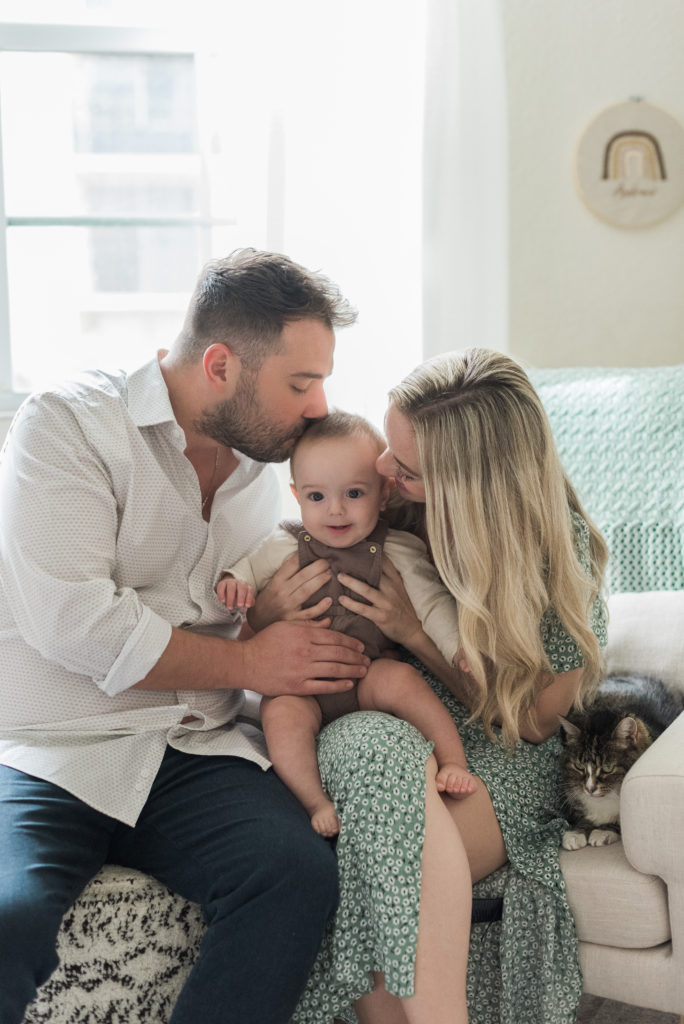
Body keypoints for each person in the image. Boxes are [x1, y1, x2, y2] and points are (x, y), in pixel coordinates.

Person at [0, 248, 374, 1024]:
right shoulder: (66, 425)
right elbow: (74, 619)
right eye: (301, 383)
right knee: (8, 913)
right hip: (50, 747)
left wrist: (276, 621)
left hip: (193, 748)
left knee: (296, 874)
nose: (318, 405)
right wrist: (248, 659)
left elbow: (247, 601)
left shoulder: (263, 476)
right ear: (220, 364)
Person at [251, 349, 608, 1024]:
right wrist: (269, 610)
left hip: (496, 746)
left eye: (406, 468)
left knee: (369, 830)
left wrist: (416, 635)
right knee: (364, 743)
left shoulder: (553, 554)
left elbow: (531, 723)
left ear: (465, 485)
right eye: (390, 449)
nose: (383, 470)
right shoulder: (386, 507)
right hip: (375, 711)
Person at [216, 410, 476, 836]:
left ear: (384, 493)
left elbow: (431, 606)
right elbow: (248, 568)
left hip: (367, 673)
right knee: (279, 715)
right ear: (297, 497)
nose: (335, 511)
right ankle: (315, 801)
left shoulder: (398, 548)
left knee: (403, 680)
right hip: (302, 687)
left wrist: (455, 647)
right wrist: (235, 583)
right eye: (317, 497)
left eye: (354, 493)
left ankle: (453, 762)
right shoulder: (283, 543)